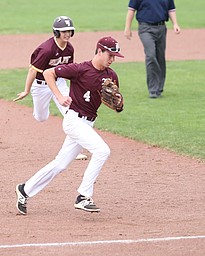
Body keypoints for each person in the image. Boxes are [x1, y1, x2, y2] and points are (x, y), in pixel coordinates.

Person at [15, 36, 124, 215]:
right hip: (74, 121)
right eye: (110, 55)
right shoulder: (80, 69)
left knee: (60, 164)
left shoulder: (111, 75)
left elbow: (116, 103)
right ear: (99, 51)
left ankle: (25, 189)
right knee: (102, 151)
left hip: (88, 124)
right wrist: (59, 96)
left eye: (114, 56)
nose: (112, 59)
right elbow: (49, 73)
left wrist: (119, 104)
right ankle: (83, 196)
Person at [13, 16, 87, 160]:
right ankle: (38, 111)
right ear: (56, 32)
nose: (67, 34)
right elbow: (33, 71)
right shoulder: (47, 49)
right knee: (41, 117)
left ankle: (74, 150)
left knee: (71, 112)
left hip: (58, 83)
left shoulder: (69, 48)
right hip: (41, 86)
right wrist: (26, 90)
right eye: (63, 31)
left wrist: (76, 88)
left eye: (69, 31)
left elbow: (68, 70)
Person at [124, 0, 181, 98]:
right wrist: (127, 28)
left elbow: (171, 9)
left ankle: (159, 87)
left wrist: (175, 24)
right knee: (150, 55)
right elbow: (131, 10)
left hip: (161, 27)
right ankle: (153, 90)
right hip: (145, 28)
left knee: (160, 57)